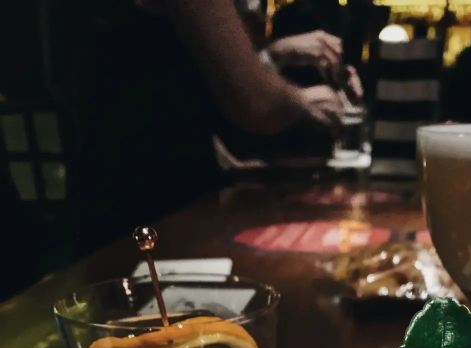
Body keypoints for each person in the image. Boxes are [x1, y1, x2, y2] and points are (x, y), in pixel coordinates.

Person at [44, 0, 350, 254]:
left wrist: (270, 56)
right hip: (166, 207)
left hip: (103, 199)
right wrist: (304, 101)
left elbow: (149, 69)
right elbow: (259, 106)